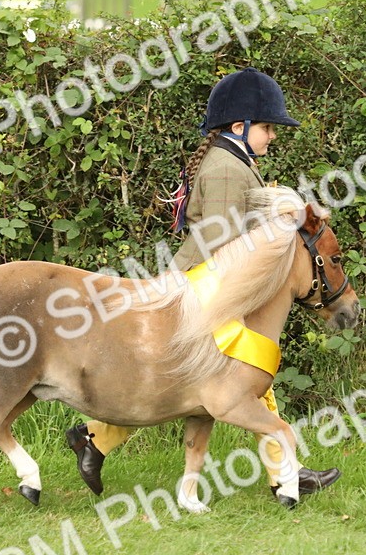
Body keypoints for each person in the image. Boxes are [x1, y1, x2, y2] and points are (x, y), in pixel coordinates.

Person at [65, 67, 342, 499]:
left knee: (199, 380)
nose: (272, 136)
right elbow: (222, 241)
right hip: (203, 285)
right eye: (267, 127)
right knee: (245, 376)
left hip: (206, 282)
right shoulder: (228, 169)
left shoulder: (233, 161)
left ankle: (94, 438)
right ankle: (287, 475)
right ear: (240, 126)